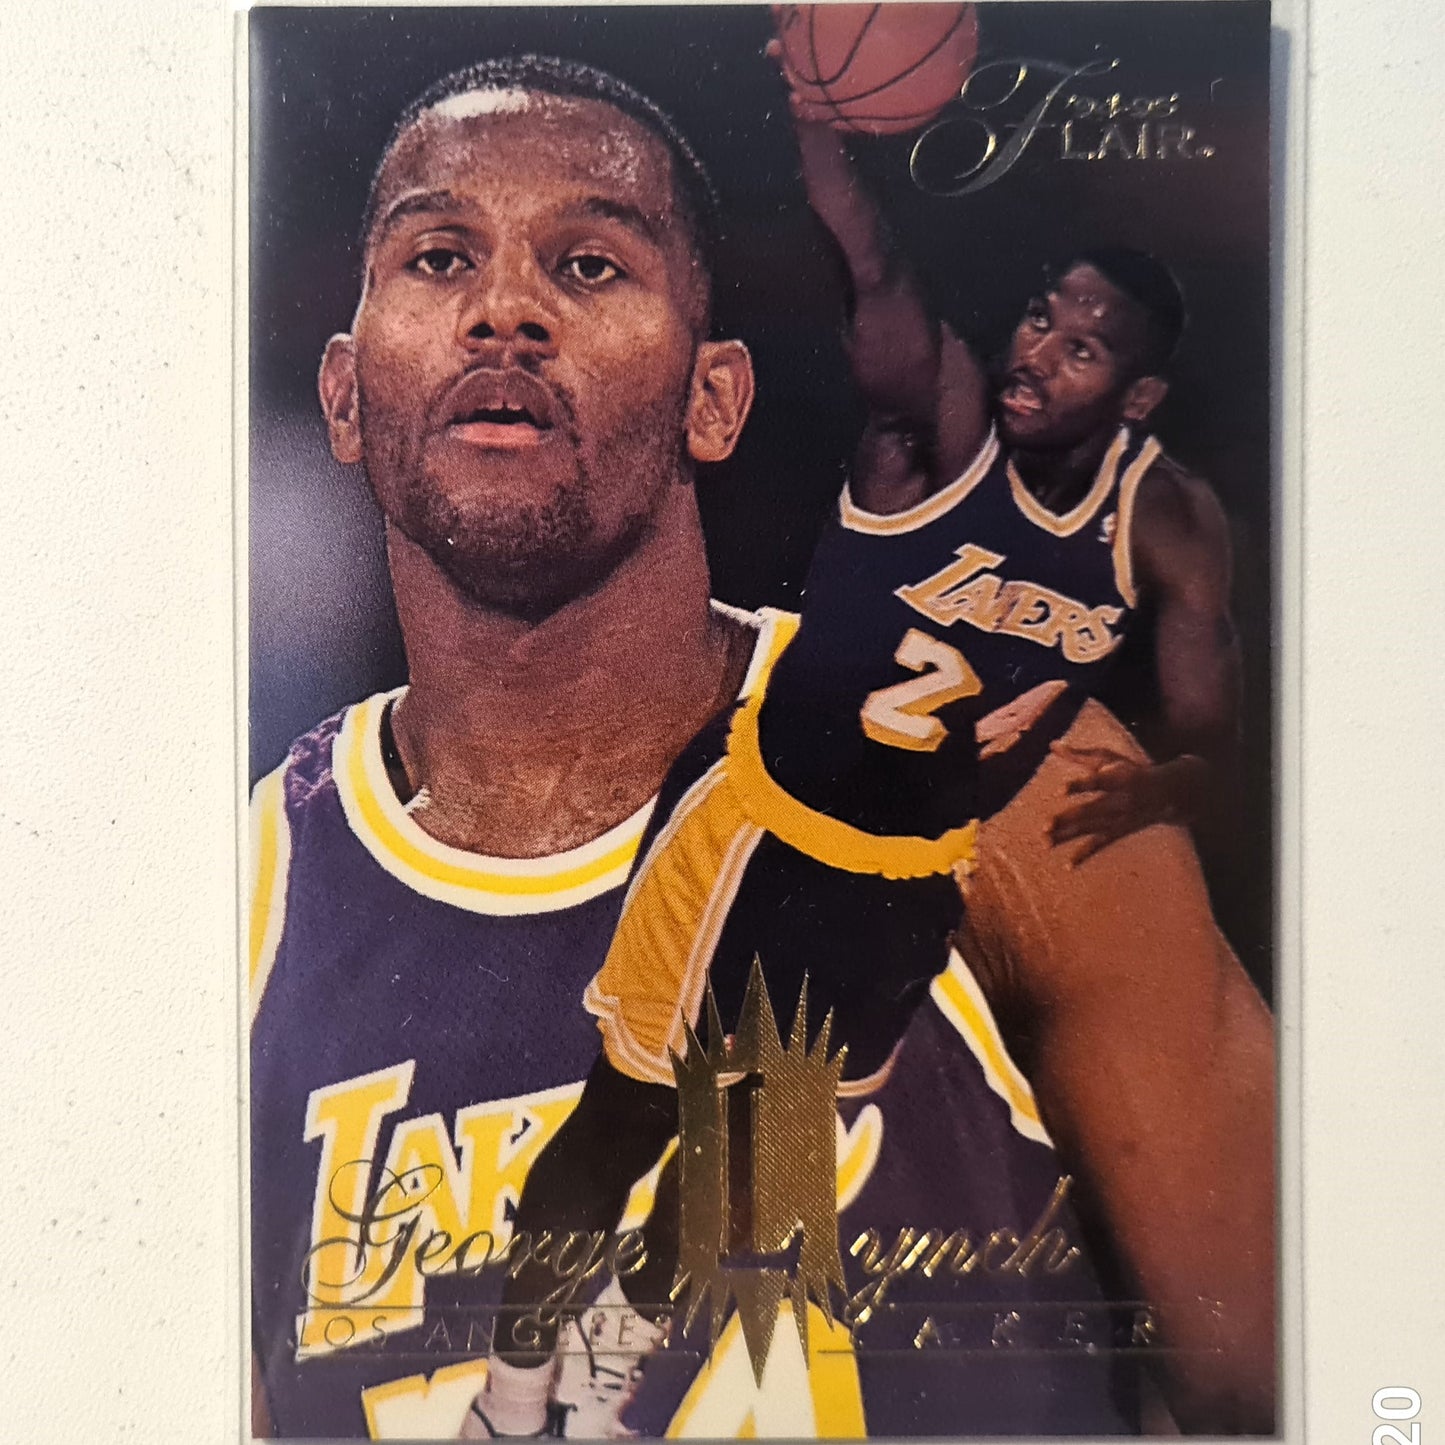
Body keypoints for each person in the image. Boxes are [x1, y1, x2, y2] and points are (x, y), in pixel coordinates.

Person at [482, 67, 1276, 1440]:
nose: (1041, 352)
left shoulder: (1169, 525)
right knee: (625, 1123)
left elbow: (1210, 713)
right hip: (765, 832)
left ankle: (605, 1372)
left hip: (906, 881)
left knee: (744, 1186)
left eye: (1084, 347)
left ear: (1137, 392)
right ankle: (507, 1396)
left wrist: (1168, 779)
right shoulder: (937, 427)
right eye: (1040, 315)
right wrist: (820, 125)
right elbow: (869, 263)